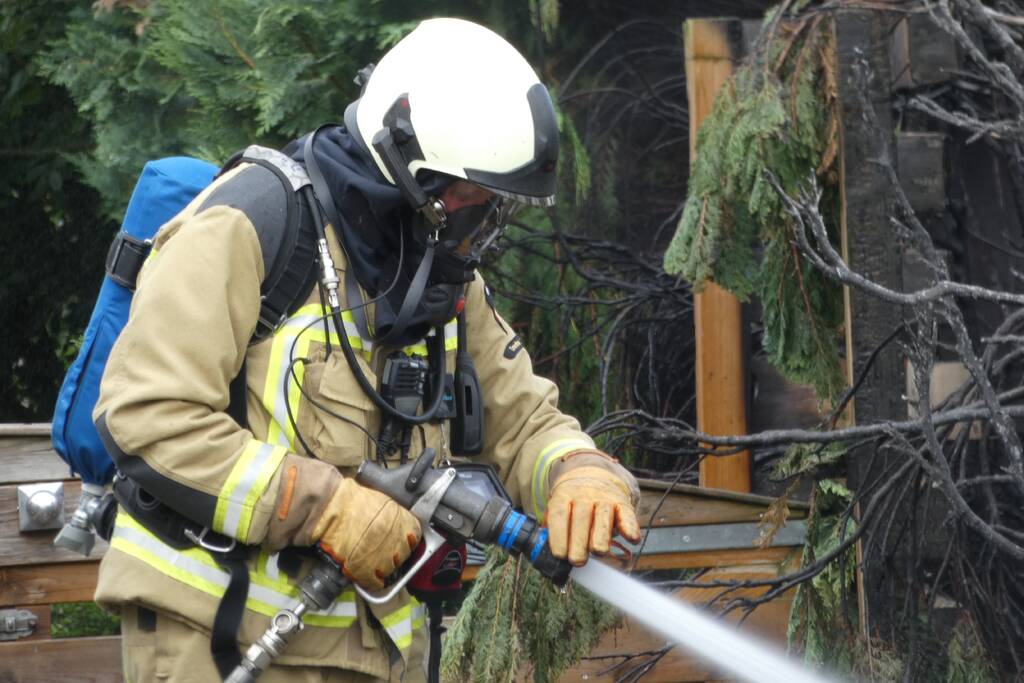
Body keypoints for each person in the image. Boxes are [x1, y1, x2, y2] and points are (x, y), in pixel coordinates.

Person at [93, 17, 641, 683]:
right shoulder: (252, 222)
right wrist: (321, 504)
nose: (483, 220)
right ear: (413, 164)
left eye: (496, 203)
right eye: (471, 196)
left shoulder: (440, 274)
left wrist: (577, 470)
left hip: (375, 653)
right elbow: (148, 414)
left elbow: (524, 419)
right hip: (218, 638)